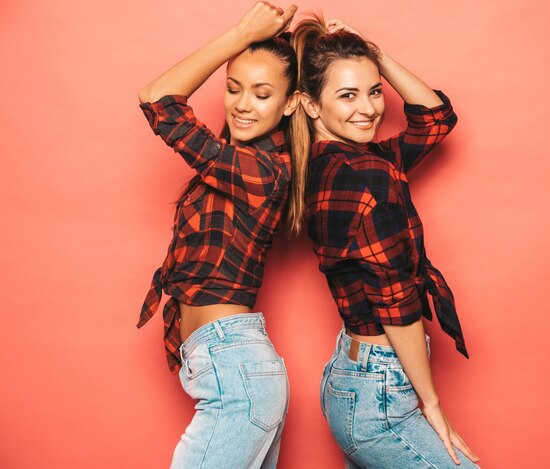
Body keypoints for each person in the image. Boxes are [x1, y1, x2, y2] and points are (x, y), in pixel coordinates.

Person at [292, 16, 481, 468]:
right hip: (380, 393)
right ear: (310, 105)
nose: (369, 109)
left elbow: (436, 118)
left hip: (351, 377)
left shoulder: (343, 162)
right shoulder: (367, 175)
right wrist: (431, 403)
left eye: (375, 91)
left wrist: (374, 55)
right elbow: (395, 302)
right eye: (347, 95)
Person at [136, 3, 303, 467]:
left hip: (236, 371)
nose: (242, 104)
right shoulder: (236, 164)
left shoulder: (264, 170)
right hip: (236, 370)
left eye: (262, 93)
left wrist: (240, 33)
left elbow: (158, 100)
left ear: (290, 103)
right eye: (233, 88)